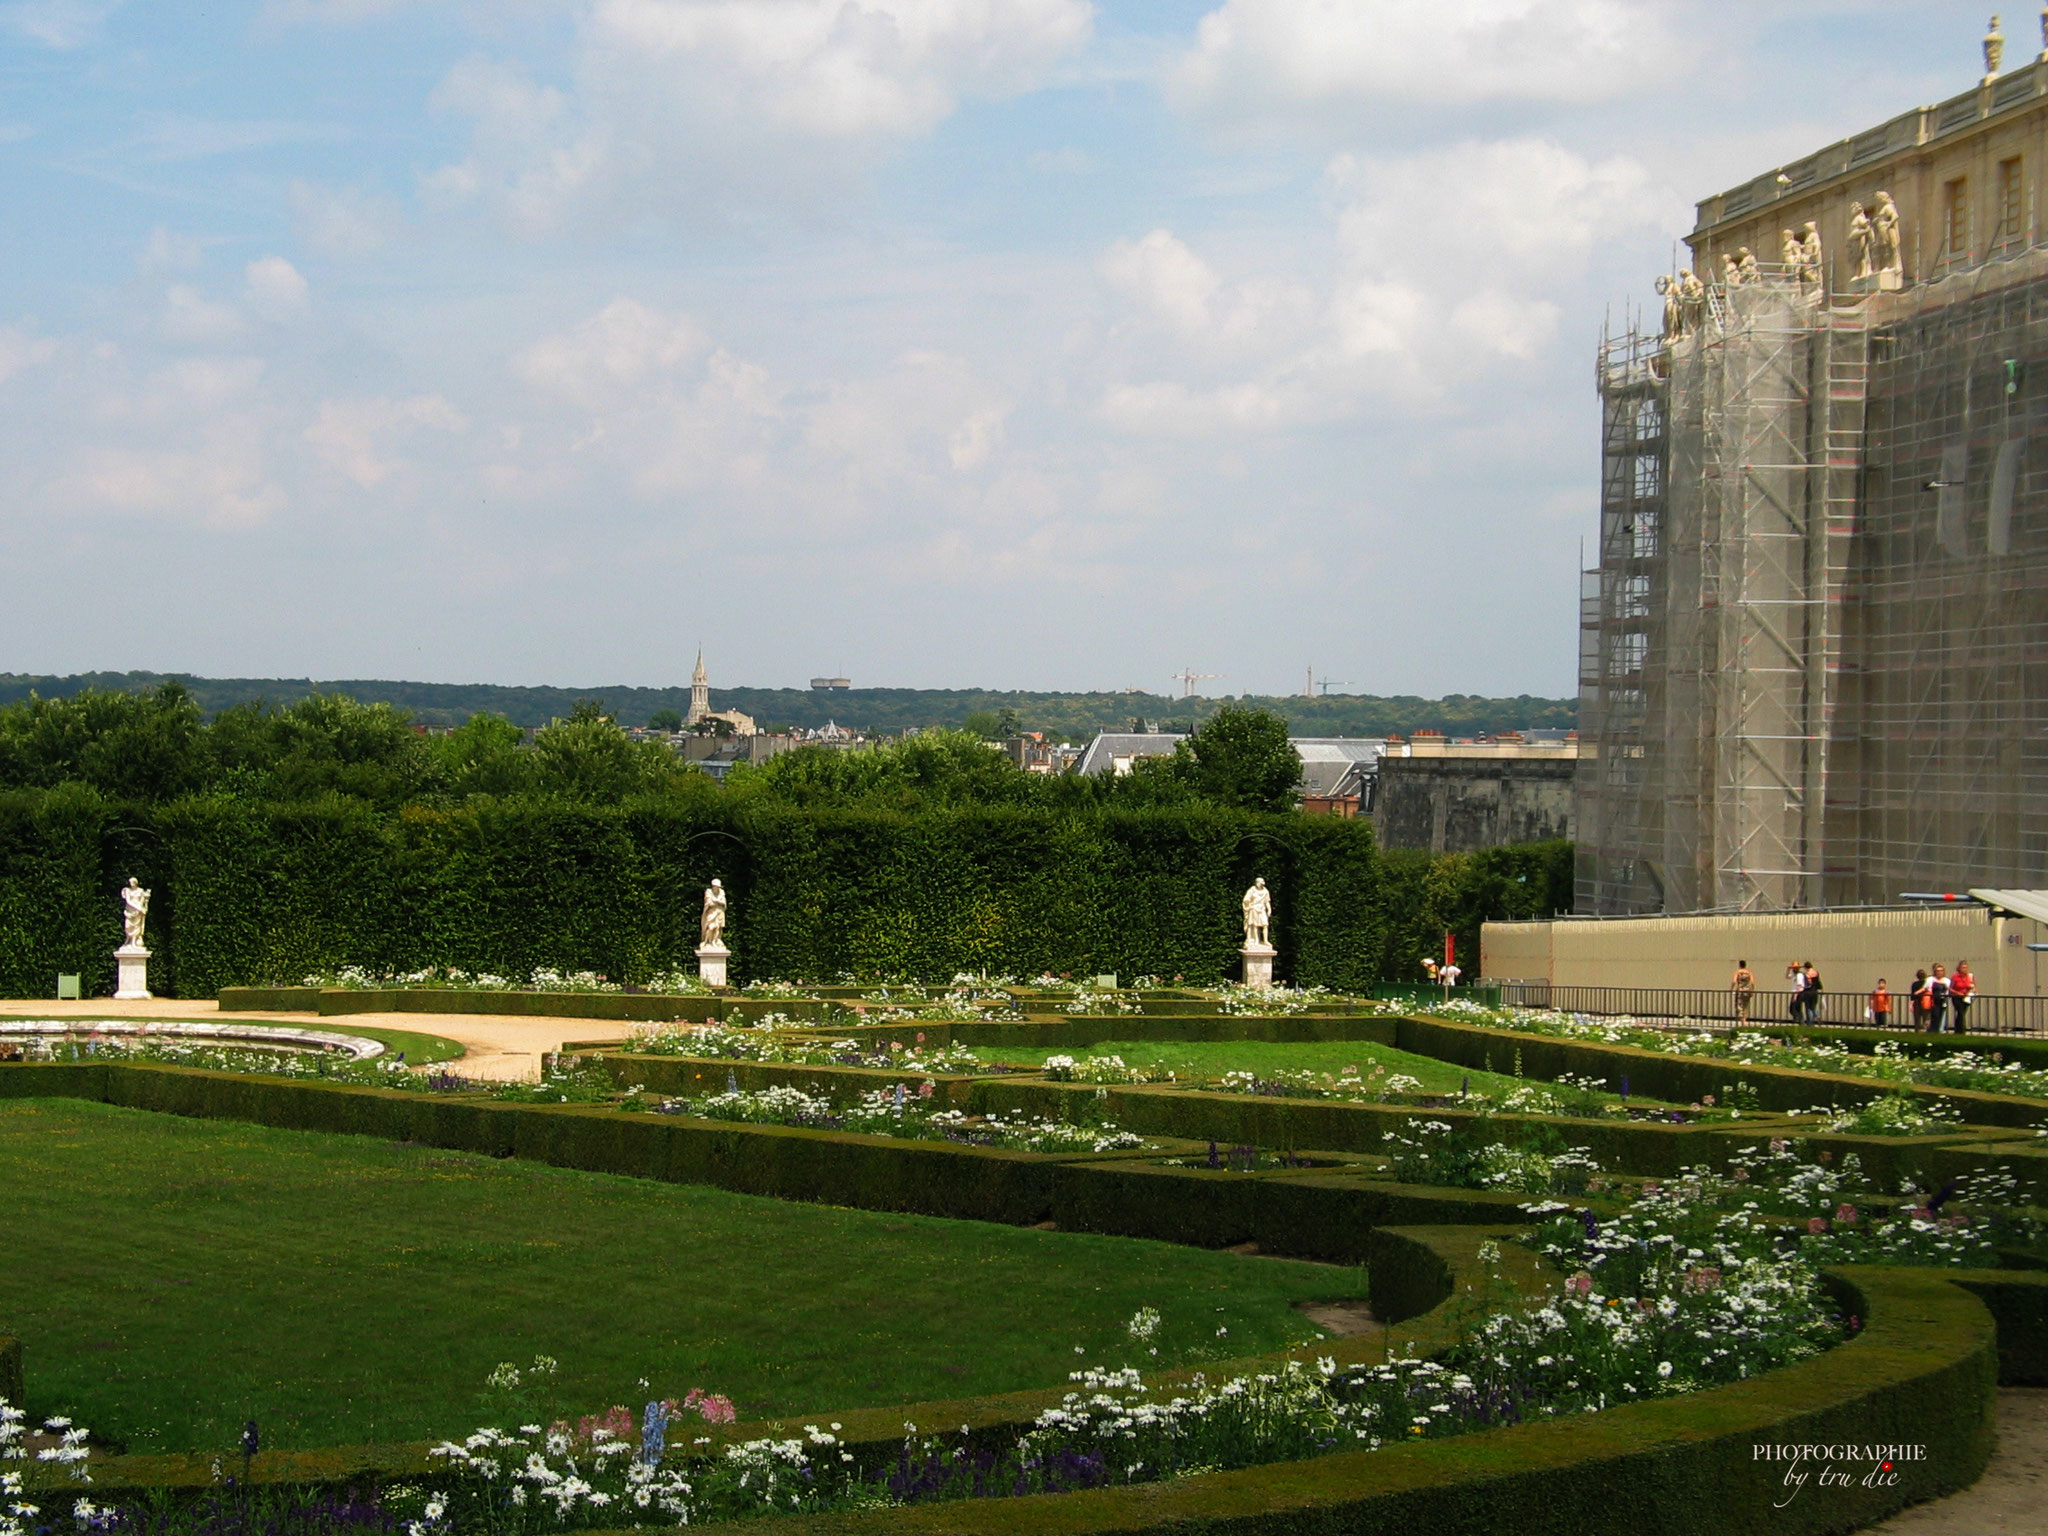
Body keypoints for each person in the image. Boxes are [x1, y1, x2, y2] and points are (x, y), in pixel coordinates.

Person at [1949, 961, 1975, 1033]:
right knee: (1960, 1012)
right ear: (1959, 968)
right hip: (1957, 997)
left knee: (1962, 1013)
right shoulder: (1955, 977)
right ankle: (1962, 1030)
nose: (1965, 969)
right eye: (1963, 967)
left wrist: (1972, 990)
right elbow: (1950, 988)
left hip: (1966, 997)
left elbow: (1974, 986)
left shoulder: (1970, 976)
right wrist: (1957, 993)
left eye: (1966, 967)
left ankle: (1957, 1030)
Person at [1927, 963, 1951, 1034]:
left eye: (1941, 971)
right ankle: (1933, 1030)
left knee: (1941, 1016)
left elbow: (1949, 990)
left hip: (1943, 1000)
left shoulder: (1947, 980)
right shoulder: (1930, 979)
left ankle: (1940, 1030)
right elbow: (1926, 989)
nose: (1939, 972)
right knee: (1935, 1016)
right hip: (1933, 1000)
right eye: (1938, 971)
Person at [1732, 959, 1756, 1024]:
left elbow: (1734, 981)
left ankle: (1743, 1022)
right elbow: (1752, 982)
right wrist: (1752, 990)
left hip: (1740, 990)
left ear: (1739, 965)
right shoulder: (1749, 973)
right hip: (1747, 991)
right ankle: (1744, 1021)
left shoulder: (1738, 972)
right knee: (1746, 1006)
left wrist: (1732, 989)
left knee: (1739, 1006)